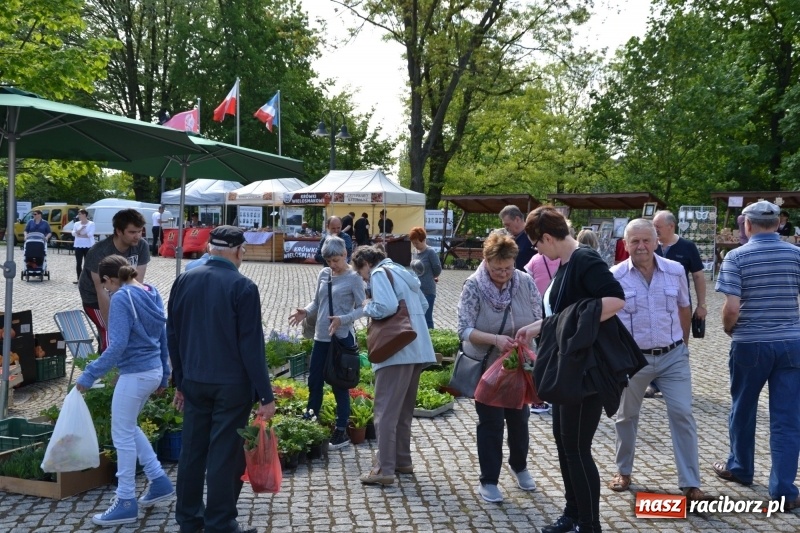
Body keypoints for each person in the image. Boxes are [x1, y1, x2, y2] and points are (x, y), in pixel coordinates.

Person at [516, 206, 626, 533]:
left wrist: (572, 322)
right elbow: (567, 312)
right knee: (565, 445)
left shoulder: (585, 260)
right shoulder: (565, 264)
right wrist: (539, 326)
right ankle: (573, 514)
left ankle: (590, 525)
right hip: (569, 367)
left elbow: (616, 300)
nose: (536, 250)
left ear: (548, 237)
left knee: (577, 448)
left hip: (585, 371)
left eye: (536, 244)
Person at [167, 226, 276, 533]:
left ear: (210, 249)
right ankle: (219, 523)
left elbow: (172, 334)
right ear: (239, 251)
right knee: (224, 454)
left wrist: (180, 380)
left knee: (192, 451)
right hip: (231, 385)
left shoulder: (184, 280)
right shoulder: (243, 286)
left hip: (195, 380)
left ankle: (188, 519)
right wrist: (266, 396)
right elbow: (252, 347)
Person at [607, 219, 706, 501]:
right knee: (626, 416)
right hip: (633, 359)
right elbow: (611, 320)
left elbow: (684, 308)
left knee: (682, 413)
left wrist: (683, 346)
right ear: (626, 245)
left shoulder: (675, 271)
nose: (641, 246)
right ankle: (623, 470)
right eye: (634, 241)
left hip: (673, 356)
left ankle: (690, 482)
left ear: (656, 242)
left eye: (646, 240)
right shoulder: (614, 276)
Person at [75, 255, 173, 527]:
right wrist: (165, 375)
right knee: (129, 427)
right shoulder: (150, 291)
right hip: (151, 371)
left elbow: (116, 345)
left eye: (104, 285)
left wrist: (89, 374)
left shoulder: (120, 298)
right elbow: (163, 336)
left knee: (122, 435)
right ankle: (159, 481)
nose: (105, 290)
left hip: (137, 374)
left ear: (108, 279)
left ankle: (126, 500)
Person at [714, 201, 800, 512]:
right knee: (787, 419)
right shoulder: (796, 255)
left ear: (747, 225)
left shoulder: (736, 257)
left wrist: (729, 329)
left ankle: (740, 468)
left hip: (750, 343)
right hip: (791, 343)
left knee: (743, 408)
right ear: (779, 224)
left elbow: (732, 307)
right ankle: (783, 490)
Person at [456, 231, 542, 503]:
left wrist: (528, 332)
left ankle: (519, 466)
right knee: (491, 424)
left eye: (508, 268)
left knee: (520, 420)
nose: (503, 274)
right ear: (486, 262)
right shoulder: (473, 286)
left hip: (519, 366)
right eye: (497, 269)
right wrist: (495, 339)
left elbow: (540, 318)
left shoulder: (525, 281)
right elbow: (464, 329)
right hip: (488, 366)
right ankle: (489, 480)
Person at [351, 245, 437, 486]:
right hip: (417, 347)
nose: (363, 277)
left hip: (396, 351)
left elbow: (386, 307)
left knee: (385, 412)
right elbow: (423, 306)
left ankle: (384, 469)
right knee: (403, 411)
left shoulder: (379, 274)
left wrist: (367, 305)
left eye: (361, 273)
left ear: (366, 264)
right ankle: (402, 460)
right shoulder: (401, 271)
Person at [288, 236, 364, 450]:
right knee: (314, 382)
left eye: (336, 260)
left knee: (339, 384)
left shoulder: (354, 278)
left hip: (340, 339)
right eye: (328, 260)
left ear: (345, 255)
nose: (332, 265)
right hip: (321, 338)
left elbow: (363, 308)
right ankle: (310, 422)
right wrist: (305, 311)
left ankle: (341, 430)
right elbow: (318, 301)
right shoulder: (324, 274)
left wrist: (343, 319)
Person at [648, 210, 707, 398]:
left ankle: (676, 383)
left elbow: (698, 276)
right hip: (653, 306)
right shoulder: (650, 245)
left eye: (657, 226)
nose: (654, 230)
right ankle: (653, 383)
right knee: (653, 343)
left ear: (670, 226)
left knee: (680, 344)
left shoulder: (687, 247)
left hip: (680, 306)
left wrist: (702, 304)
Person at [79, 209, 150, 351]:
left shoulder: (142, 246)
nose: (137, 236)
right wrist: (109, 324)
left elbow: (137, 284)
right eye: (132, 232)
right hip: (94, 298)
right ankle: (108, 369)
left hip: (121, 293)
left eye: (140, 231)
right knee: (110, 332)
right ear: (118, 231)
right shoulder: (99, 251)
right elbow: (101, 291)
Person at [409, 226, 442, 329]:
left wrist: (432, 276)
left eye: (417, 243)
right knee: (417, 318)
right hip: (416, 290)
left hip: (428, 291)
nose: (415, 245)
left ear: (423, 240)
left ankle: (431, 340)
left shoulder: (430, 252)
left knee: (427, 319)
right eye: (413, 243)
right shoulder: (415, 252)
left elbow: (437, 268)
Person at [499, 205, 534, 271]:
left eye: (508, 224)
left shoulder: (532, 236)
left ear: (517, 219)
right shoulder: (509, 238)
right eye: (505, 225)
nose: (506, 228)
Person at [71, 209, 95, 284]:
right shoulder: (76, 224)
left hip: (88, 245)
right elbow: (73, 233)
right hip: (78, 245)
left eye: (80, 214)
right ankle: (79, 279)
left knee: (87, 263)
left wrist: (80, 235)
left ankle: (88, 279)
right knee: (78, 262)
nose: (79, 215)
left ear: (84, 215)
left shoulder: (91, 224)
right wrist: (80, 229)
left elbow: (90, 234)